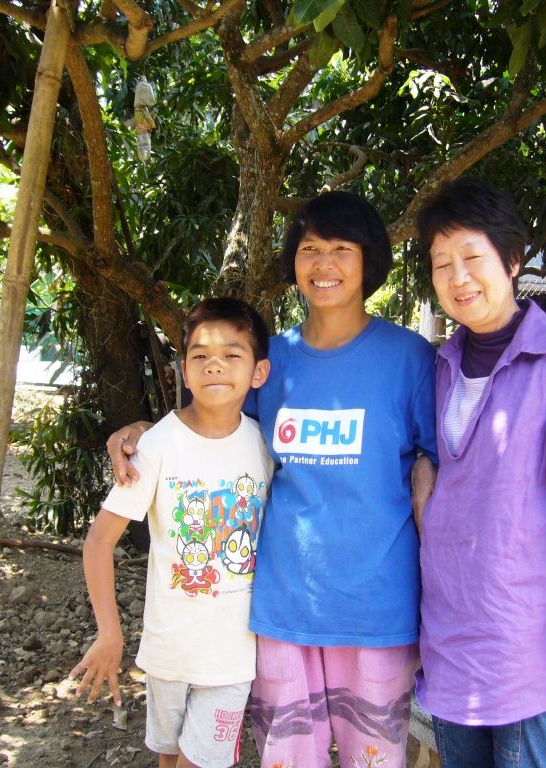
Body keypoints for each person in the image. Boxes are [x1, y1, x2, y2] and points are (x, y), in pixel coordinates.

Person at [107, 191, 438, 768]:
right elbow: (210, 426)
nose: (323, 264)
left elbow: (437, 465)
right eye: (310, 249)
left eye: (341, 249)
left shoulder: (409, 358)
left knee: (376, 759)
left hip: (377, 603)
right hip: (282, 602)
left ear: (370, 261)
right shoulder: (270, 360)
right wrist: (141, 427)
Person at [413, 177, 546, 768]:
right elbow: (414, 452)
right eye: (442, 263)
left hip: (526, 640)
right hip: (451, 633)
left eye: (473, 257)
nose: (459, 278)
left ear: (510, 259)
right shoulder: (438, 367)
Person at [70, 297, 274, 768]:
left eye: (232, 354)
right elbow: (100, 540)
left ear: (258, 372)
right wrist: (110, 634)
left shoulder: (264, 446)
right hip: (166, 654)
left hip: (232, 657)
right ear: (184, 371)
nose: (215, 365)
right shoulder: (157, 444)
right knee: (168, 757)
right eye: (200, 355)